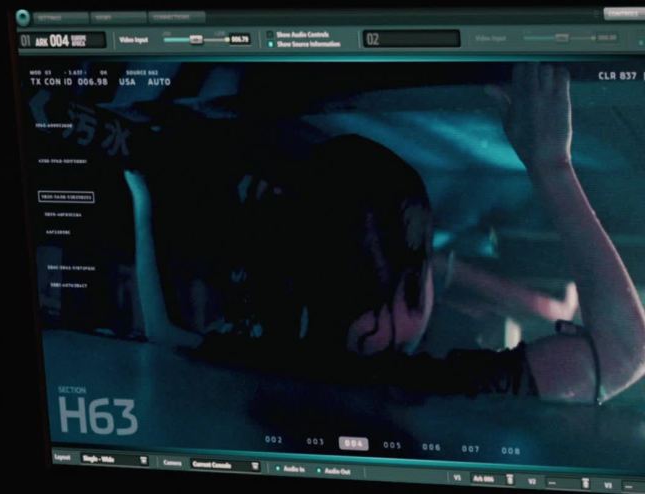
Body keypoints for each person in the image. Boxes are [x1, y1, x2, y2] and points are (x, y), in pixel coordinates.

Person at [122, 63, 645, 404]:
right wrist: (550, 162)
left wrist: (142, 195)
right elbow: (625, 352)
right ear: (379, 317)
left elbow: (166, 337)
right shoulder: (425, 393)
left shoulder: (262, 364)